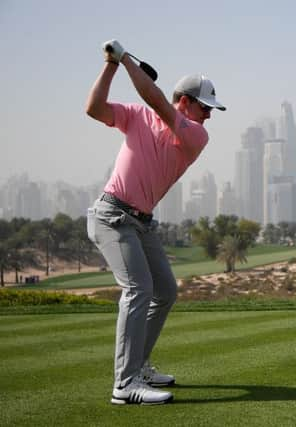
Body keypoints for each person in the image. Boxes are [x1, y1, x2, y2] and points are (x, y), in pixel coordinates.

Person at [85, 39, 225, 405]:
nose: (209, 114)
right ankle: (125, 383)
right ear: (186, 102)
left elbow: (156, 100)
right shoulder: (136, 115)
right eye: (205, 107)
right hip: (112, 215)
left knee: (164, 291)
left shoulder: (195, 135)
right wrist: (113, 65)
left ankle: (140, 364)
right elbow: (94, 108)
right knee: (138, 290)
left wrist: (126, 58)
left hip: (141, 223)